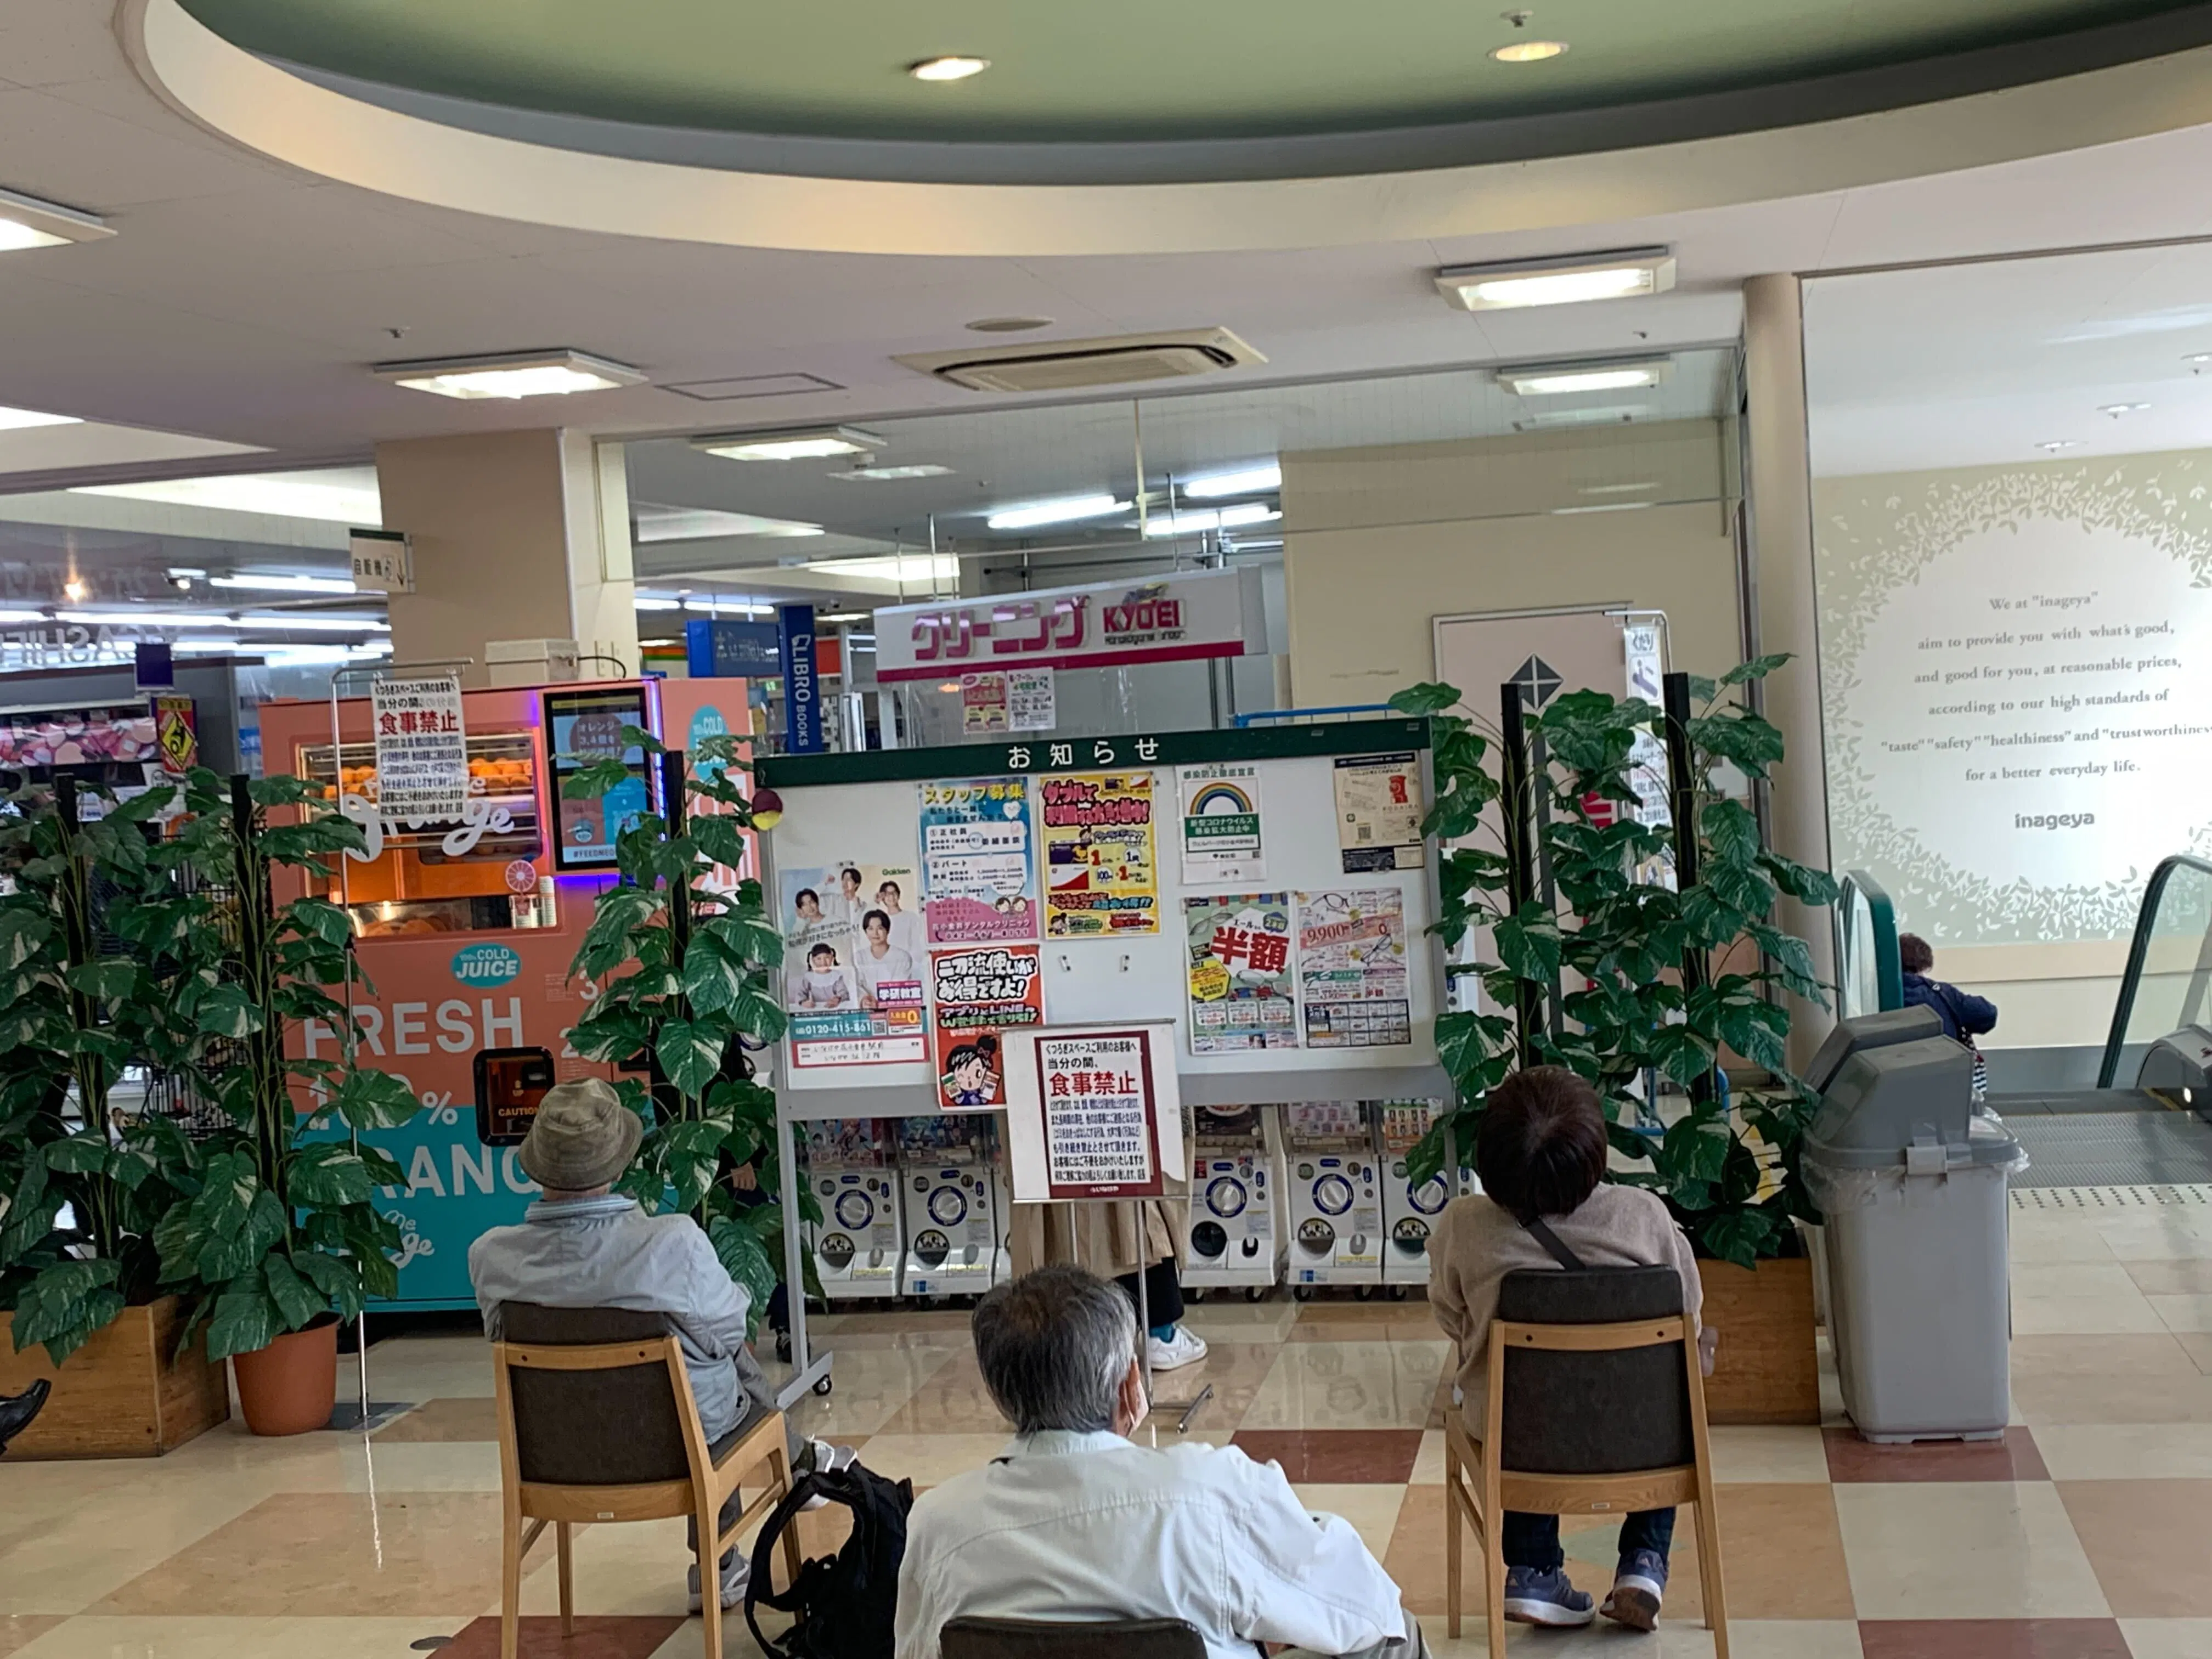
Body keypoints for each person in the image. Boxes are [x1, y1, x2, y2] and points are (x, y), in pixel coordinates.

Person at [894, 1265, 1425, 1659]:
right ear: (1130, 1382)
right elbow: (1357, 1602)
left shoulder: (939, 1523)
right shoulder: (1208, 1490)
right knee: (1392, 1632)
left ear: (999, 1393)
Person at [469, 1079, 852, 1613]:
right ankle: (755, 1520)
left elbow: (499, 1340)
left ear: (535, 1166)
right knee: (719, 1368)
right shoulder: (671, 1242)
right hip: (677, 1447)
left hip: (553, 1457)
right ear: (619, 1165)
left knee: (703, 1374)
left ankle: (797, 1475)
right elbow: (724, 1333)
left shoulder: (491, 1257)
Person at [1429, 1067, 1708, 1633]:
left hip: (1519, 1438)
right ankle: (1644, 1563)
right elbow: (1691, 1313)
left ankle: (1532, 1570)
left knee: (1528, 1397)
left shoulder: (1465, 1225)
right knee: (1663, 1392)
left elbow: (1449, 1314)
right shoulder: (1643, 1215)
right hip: (1643, 1439)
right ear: (1595, 1153)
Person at [1900, 934, 1998, 1094]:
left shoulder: (1874, 994)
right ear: (1925, 964)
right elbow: (1987, 1014)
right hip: (1944, 1079)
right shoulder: (1942, 993)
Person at [852, 909, 917, 1008]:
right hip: (867, 1010)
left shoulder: (902, 957)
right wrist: (864, 999)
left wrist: (881, 1003)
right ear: (866, 932)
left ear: (888, 930)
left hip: (895, 1010)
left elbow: (901, 987)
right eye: (870, 929)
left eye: (880, 928)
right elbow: (855, 985)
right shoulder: (859, 957)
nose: (875, 933)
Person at [874, 879, 926, 958]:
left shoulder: (911, 917)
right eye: (888, 894)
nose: (891, 897)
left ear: (898, 895)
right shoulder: (881, 921)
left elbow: (918, 944)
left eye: (894, 893)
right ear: (883, 898)